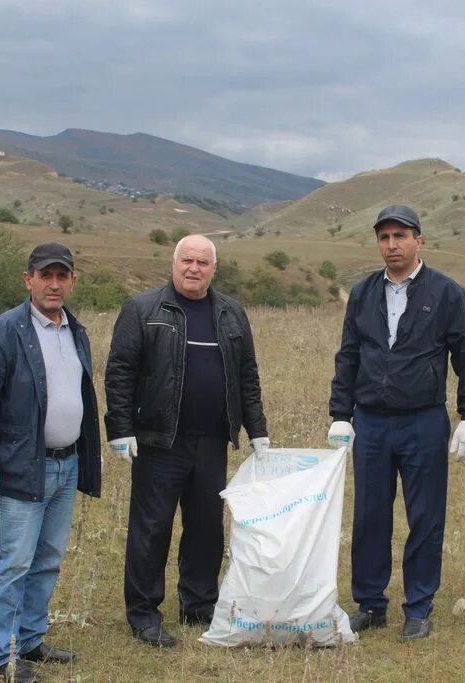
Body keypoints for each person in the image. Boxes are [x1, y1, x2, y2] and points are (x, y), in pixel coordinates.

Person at [327, 204, 465, 641]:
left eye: (400, 236)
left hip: (423, 422)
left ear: (420, 240)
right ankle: (370, 604)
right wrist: (341, 414)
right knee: (370, 516)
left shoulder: (447, 292)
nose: (392, 245)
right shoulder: (362, 293)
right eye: (384, 237)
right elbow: (350, 354)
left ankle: (418, 606)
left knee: (426, 517)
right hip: (372, 423)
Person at [104, 233, 269, 647]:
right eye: (186, 261)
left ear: (214, 269)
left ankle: (198, 605)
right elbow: (119, 373)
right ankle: (144, 613)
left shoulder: (232, 313)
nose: (193, 268)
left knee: (206, 529)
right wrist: (120, 429)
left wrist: (258, 429)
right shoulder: (143, 309)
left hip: (212, 441)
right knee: (152, 529)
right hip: (159, 441)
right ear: (173, 264)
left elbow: (247, 375)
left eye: (202, 262)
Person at [0, 243, 102, 682]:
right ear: (29, 280)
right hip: (24, 466)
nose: (54, 284)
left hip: (67, 465)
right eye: (46, 276)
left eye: (63, 276)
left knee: (48, 558)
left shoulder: (75, 331)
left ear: (73, 281)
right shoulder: (5, 331)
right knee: (13, 564)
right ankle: (2, 660)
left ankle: (31, 641)